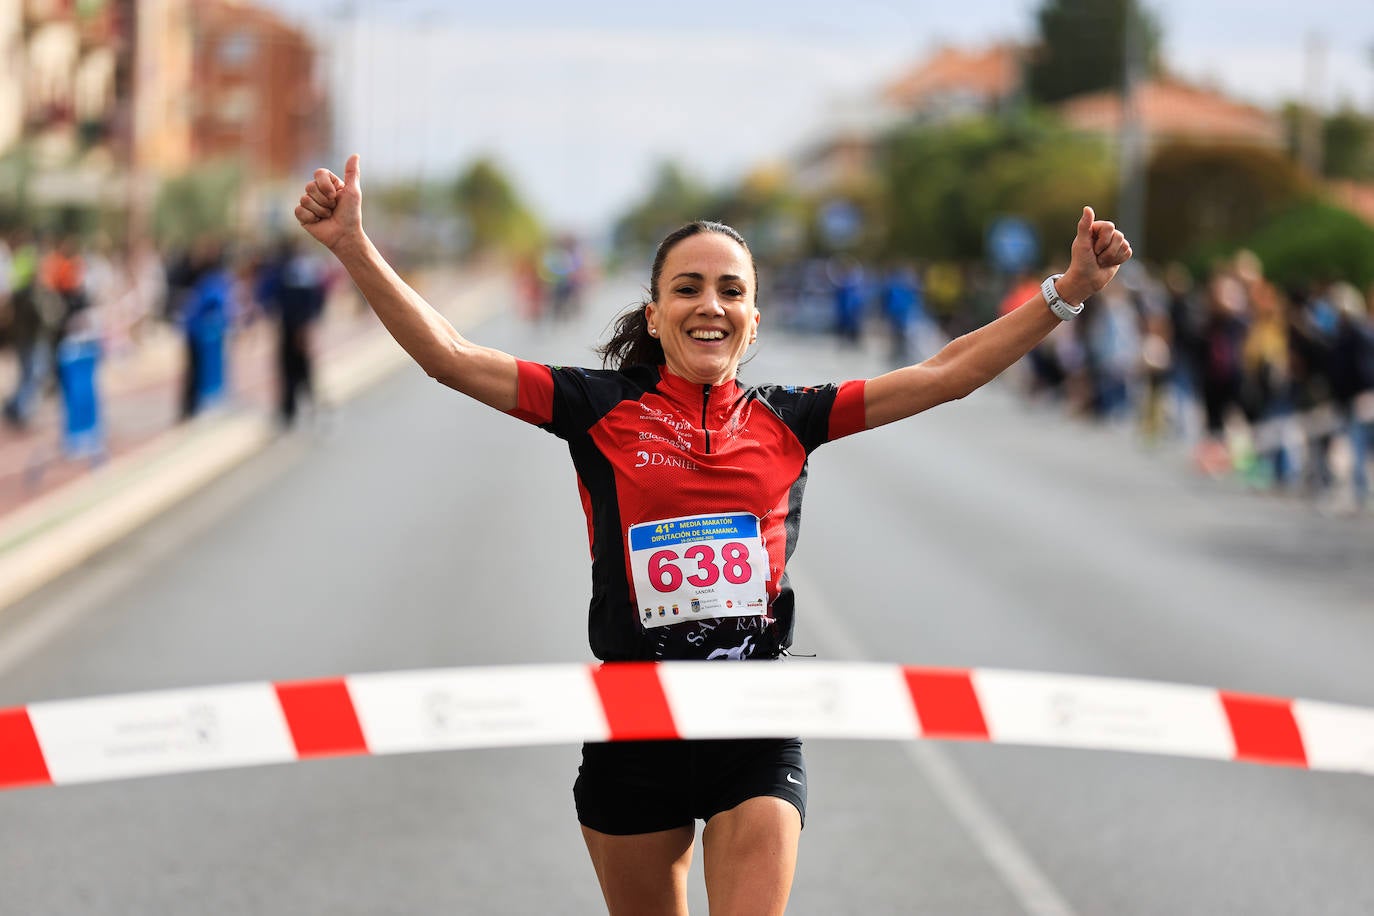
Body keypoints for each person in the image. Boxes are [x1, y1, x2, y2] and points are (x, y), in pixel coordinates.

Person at [294, 154, 1132, 916]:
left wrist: (1067, 293)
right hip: (636, 724)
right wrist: (353, 246)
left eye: (731, 290)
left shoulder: (794, 419)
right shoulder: (599, 407)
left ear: (754, 321)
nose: (711, 305)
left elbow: (947, 374)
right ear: (655, 315)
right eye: (689, 288)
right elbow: (449, 356)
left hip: (753, 722)